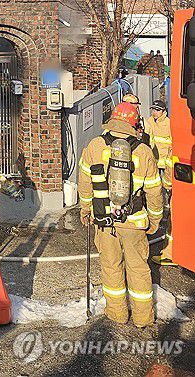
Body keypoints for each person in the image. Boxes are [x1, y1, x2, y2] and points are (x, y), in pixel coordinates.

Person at [78, 101, 163, 328]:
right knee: (138, 269)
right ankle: (143, 318)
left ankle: (117, 314)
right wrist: (155, 219)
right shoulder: (144, 151)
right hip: (134, 222)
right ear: (135, 123)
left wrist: (85, 209)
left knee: (111, 267)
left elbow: (85, 183)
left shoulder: (95, 145)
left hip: (105, 221)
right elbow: (154, 190)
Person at [152, 148, 176, 266]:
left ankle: (171, 255)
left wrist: (166, 184)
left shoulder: (179, 145)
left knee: (175, 221)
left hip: (183, 189)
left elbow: (171, 166)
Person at [145, 100, 172, 173]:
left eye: (158, 110)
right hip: (153, 160)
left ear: (163, 111)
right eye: (153, 110)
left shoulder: (169, 123)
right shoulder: (149, 121)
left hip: (165, 162)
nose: (154, 112)